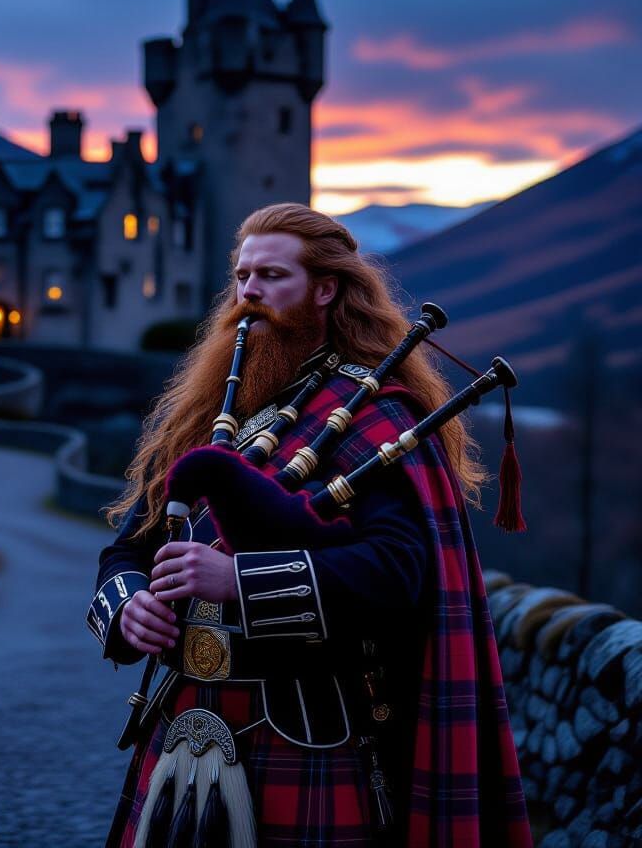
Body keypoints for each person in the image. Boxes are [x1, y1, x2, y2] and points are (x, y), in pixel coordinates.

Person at [87, 203, 531, 847]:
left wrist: (237, 580)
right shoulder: (212, 411)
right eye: (241, 277)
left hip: (308, 728)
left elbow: (397, 572)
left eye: (272, 276)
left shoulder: (378, 418)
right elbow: (128, 546)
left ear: (326, 290)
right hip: (182, 718)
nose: (249, 294)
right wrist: (128, 609)